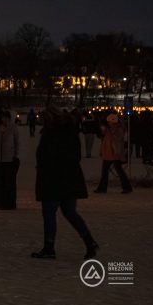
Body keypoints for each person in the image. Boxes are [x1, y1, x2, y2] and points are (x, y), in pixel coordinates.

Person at [31, 107, 100, 260]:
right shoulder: (70, 134)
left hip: (53, 180)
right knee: (69, 212)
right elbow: (75, 157)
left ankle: (49, 247)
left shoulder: (51, 135)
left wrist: (45, 168)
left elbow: (47, 157)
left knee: (49, 213)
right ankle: (89, 241)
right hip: (69, 179)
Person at [95, 113, 132, 194]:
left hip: (115, 153)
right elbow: (103, 139)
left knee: (118, 171)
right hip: (109, 153)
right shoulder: (109, 130)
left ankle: (126, 187)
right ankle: (102, 188)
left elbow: (117, 140)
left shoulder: (118, 129)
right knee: (106, 171)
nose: (108, 123)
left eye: (109, 122)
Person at [0, 110, 20, 210]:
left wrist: (16, 155)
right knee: (1, 182)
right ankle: (1, 202)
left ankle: (10, 203)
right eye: (3, 117)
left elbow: (17, 142)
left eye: (6, 117)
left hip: (10, 159)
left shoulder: (13, 128)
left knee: (9, 182)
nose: (4, 119)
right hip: (0, 159)